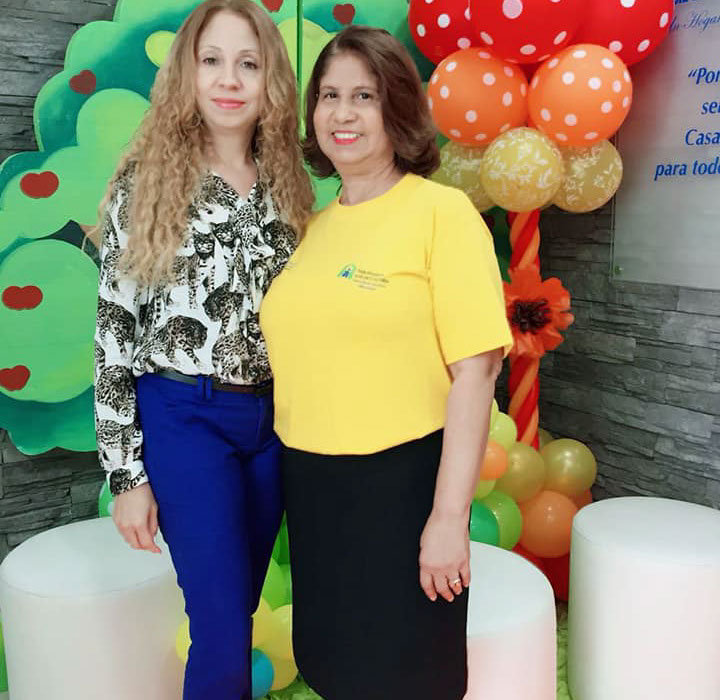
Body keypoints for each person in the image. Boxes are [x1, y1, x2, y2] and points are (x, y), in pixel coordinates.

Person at [260, 25, 512, 700]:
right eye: (329, 95)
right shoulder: (310, 230)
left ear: (396, 107)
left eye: (364, 96)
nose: (342, 114)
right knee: (334, 666)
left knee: (408, 676)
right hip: (313, 487)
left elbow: (477, 372)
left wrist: (448, 518)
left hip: (404, 487)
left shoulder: (442, 214)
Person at [92, 1, 313, 698]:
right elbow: (114, 332)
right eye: (211, 60)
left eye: (249, 63)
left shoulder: (290, 185)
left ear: (271, 79)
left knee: (235, 611)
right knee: (219, 625)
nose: (229, 79)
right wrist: (126, 477)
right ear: (186, 74)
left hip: (272, 423)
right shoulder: (148, 181)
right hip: (185, 415)